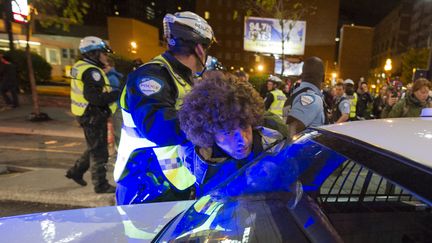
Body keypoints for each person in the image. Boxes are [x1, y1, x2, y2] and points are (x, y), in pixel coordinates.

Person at [114, 11, 216, 205]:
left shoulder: (182, 77)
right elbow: (159, 127)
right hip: (146, 183)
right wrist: (212, 123)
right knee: (142, 236)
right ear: (200, 49)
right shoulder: (152, 76)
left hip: (172, 182)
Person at [178, 71, 288, 197]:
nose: (243, 140)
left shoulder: (274, 134)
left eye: (244, 125)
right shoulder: (197, 158)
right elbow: (211, 197)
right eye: (228, 132)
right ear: (210, 133)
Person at [66, 36, 120, 193]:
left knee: (94, 146)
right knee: (99, 151)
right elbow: (94, 97)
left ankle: (75, 172)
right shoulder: (91, 72)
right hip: (92, 115)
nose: (105, 56)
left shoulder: (80, 66)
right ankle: (100, 185)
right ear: (94, 53)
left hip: (84, 113)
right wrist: (116, 94)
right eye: (103, 53)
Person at [285, 56, 325, 138]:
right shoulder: (312, 98)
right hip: (303, 150)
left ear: (302, 75)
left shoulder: (298, 93)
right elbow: (292, 131)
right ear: (323, 77)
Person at [103, 58, 124, 149]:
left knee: (118, 133)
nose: (103, 69)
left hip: (116, 109)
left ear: (110, 66)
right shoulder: (112, 76)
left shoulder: (112, 78)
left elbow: (114, 95)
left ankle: (119, 154)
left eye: (105, 66)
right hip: (116, 109)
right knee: (116, 132)